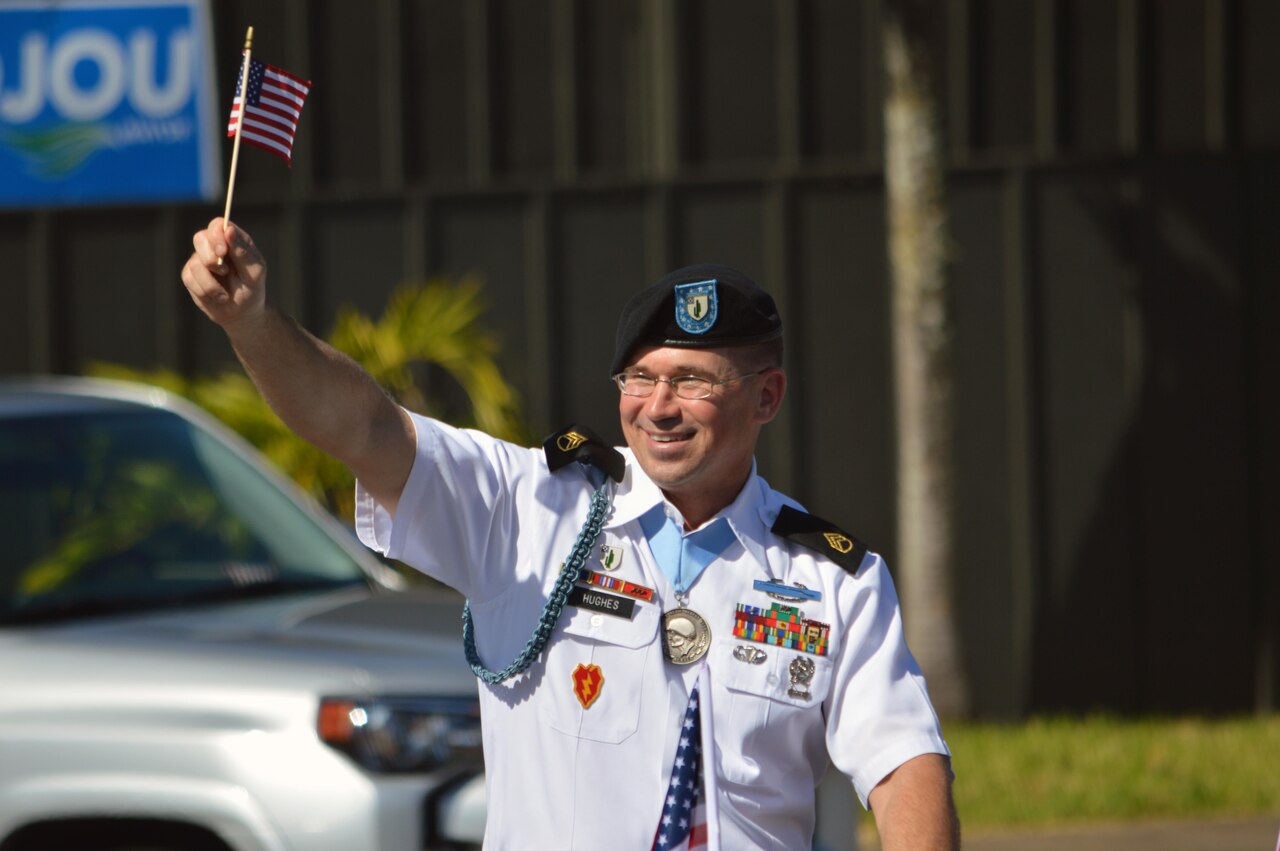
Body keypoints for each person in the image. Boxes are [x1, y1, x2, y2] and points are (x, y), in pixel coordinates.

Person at [182, 217, 960, 850]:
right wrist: (252, 323)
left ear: (767, 397)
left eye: (693, 380)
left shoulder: (833, 578)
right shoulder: (529, 506)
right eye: (641, 378)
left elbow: (904, 766)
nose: (660, 405)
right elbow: (363, 426)